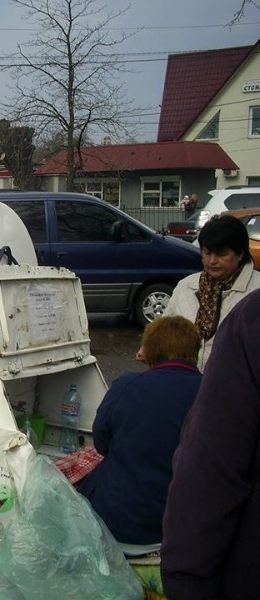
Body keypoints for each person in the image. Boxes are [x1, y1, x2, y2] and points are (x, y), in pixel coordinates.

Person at [161, 290, 260, 600]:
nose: (213, 260)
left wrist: (186, 580)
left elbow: (210, 470)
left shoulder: (251, 319)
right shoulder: (190, 285)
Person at [75, 316, 202, 545]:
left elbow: (101, 443)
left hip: (115, 520)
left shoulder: (128, 384)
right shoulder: (211, 394)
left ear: (149, 349)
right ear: (196, 351)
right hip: (177, 527)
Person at [163, 213, 260, 370]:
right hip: (187, 383)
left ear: (240, 253)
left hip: (236, 389)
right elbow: (165, 333)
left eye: (221, 254)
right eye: (207, 253)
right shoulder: (186, 287)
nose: (212, 261)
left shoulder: (256, 291)